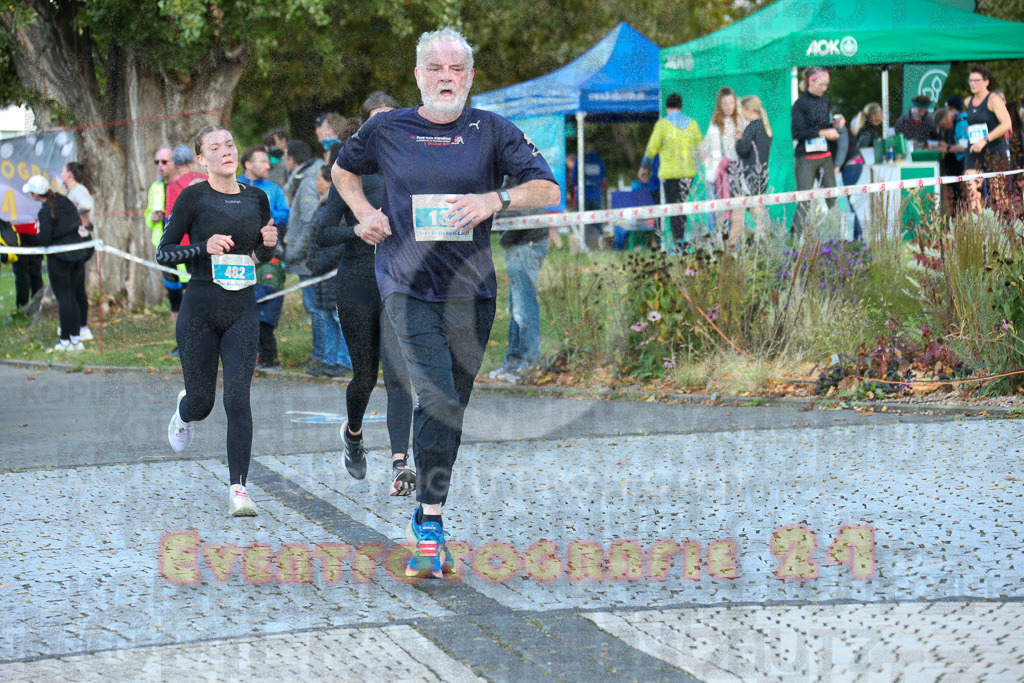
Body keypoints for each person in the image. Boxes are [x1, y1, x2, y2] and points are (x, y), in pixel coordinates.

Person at [333, 27, 560, 577]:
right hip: (407, 287)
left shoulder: (491, 130)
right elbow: (342, 170)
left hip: (473, 293)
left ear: (470, 77)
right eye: (435, 68)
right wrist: (365, 214)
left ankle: (425, 514)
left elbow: (548, 189)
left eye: (457, 68)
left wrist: (495, 198)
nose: (446, 77)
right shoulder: (386, 127)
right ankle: (431, 525)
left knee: (450, 405)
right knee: (434, 395)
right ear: (417, 75)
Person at [157, 125, 278, 517]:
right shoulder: (193, 197)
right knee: (205, 402)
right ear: (201, 159)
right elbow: (164, 253)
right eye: (215, 147)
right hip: (200, 311)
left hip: (242, 310)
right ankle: (185, 410)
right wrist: (201, 248)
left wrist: (268, 245)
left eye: (230, 143)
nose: (225, 150)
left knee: (238, 398)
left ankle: (239, 488)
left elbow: (257, 253)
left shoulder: (257, 197)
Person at [316, 104, 416, 496]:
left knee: (398, 376)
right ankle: (354, 435)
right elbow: (322, 235)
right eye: (378, 119)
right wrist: (357, 230)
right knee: (365, 376)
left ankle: (400, 465)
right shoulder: (348, 174)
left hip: (399, 282)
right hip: (357, 282)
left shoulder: (413, 171)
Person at [283, 138, 351, 377]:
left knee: (336, 317)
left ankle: (342, 361)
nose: (315, 183)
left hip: (330, 272)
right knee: (324, 315)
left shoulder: (336, 207)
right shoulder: (326, 205)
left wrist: (318, 263)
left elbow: (333, 241)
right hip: (320, 271)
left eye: (319, 180)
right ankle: (327, 359)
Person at [23, 175, 94, 352]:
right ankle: (76, 339)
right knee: (74, 297)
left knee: (65, 300)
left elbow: (45, 239)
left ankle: (65, 341)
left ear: (34, 194)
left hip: (60, 259)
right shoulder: (64, 200)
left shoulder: (45, 212)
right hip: (78, 254)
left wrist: (38, 231)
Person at [491, 174, 551, 380]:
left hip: (526, 241)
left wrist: (505, 240)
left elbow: (524, 209)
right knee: (515, 305)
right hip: (521, 241)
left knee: (523, 305)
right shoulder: (509, 166)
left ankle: (530, 363)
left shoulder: (514, 164)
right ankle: (513, 361)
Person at [238, 145, 290, 369]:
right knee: (241, 307)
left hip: (268, 256)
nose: (268, 165)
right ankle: (245, 355)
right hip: (239, 256)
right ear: (248, 164)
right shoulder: (234, 185)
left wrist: (262, 216)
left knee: (266, 303)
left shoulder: (273, 189)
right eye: (261, 161)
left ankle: (269, 355)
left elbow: (285, 214)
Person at [638, 92, 703, 250]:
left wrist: (644, 167)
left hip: (670, 174)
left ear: (667, 108)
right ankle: (682, 242)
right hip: (688, 174)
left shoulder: (663, 125)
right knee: (681, 205)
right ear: (680, 106)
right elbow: (701, 147)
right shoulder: (693, 124)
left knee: (674, 207)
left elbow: (652, 148)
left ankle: (679, 245)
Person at [146, 146, 191, 334]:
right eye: (157, 162)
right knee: (174, 299)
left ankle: (194, 340)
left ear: (175, 163)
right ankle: (180, 342)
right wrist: (152, 217)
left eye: (164, 162)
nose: (160, 166)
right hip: (166, 251)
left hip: (187, 250)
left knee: (189, 296)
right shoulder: (155, 188)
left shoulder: (186, 185)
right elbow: (148, 216)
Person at [790, 66, 839, 238]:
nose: (825, 88)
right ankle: (793, 243)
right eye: (822, 85)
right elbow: (797, 133)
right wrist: (823, 133)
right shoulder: (800, 104)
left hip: (825, 156)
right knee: (804, 202)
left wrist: (836, 127)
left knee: (833, 200)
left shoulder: (825, 101)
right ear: (811, 82)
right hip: (806, 158)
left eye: (827, 85)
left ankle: (838, 245)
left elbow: (825, 127)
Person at [964, 65, 1012, 212]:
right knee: (972, 194)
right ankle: (978, 231)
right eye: (971, 80)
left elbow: (1007, 124)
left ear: (986, 82)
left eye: (977, 80)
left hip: (994, 150)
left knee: (999, 196)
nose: (973, 84)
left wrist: (985, 139)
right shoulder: (968, 101)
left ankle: (1010, 227)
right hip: (974, 151)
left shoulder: (993, 100)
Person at [700, 86, 746, 241]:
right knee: (712, 210)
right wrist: (709, 165)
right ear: (719, 105)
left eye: (731, 103)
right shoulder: (714, 124)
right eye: (725, 104)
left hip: (735, 173)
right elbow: (703, 148)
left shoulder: (740, 121)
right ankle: (714, 244)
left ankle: (738, 243)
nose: (729, 107)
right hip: (714, 175)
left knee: (737, 210)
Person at [59, 162, 95, 341]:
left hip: (81, 242)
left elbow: (86, 205)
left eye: (63, 171)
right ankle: (74, 325)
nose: (61, 174)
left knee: (76, 287)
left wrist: (70, 214)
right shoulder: (69, 191)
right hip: (75, 243)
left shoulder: (77, 190)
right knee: (74, 286)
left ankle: (82, 327)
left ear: (69, 174)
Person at [734, 95, 772, 242]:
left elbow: (743, 150)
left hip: (749, 175)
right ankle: (765, 244)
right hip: (762, 175)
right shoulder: (765, 127)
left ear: (749, 109)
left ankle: (733, 246)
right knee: (758, 211)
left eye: (742, 110)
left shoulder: (751, 127)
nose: (742, 113)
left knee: (738, 213)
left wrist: (739, 140)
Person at [571, 141, 606, 250]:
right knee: (596, 222)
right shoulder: (600, 161)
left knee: (582, 222)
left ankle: (585, 246)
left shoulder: (580, 161)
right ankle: (601, 242)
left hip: (583, 196)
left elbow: (573, 179)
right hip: (596, 195)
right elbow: (603, 177)